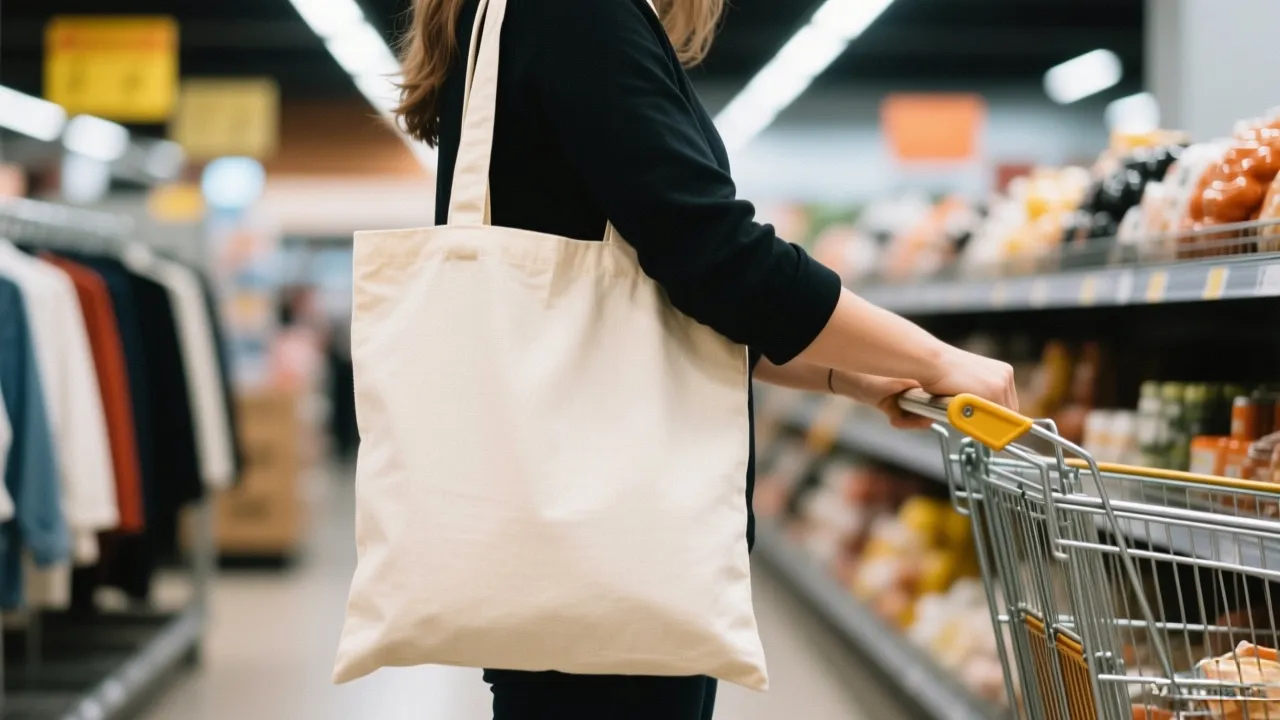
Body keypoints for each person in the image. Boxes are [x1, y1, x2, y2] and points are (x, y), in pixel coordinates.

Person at [393, 0, 1017, 717]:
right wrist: (937, 357)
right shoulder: (576, 13)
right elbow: (714, 256)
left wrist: (845, 371)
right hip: (615, 559)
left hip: (569, 540)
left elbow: (652, 298)